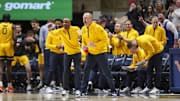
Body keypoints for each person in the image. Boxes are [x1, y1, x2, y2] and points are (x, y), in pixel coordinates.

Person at [81, 12, 117, 96]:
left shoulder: (98, 28)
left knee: (106, 71)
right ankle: (83, 90)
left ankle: (113, 90)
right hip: (91, 53)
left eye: (86, 18)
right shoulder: (83, 29)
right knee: (86, 70)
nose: (84, 20)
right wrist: (84, 46)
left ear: (90, 19)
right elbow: (84, 40)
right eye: (83, 18)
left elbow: (104, 40)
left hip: (101, 52)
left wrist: (95, 45)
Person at [48, 18, 81, 97]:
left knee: (77, 70)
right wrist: (50, 29)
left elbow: (82, 35)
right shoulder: (61, 30)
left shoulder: (76, 28)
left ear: (70, 23)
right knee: (65, 70)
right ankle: (65, 89)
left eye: (66, 22)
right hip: (67, 53)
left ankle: (78, 89)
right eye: (64, 22)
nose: (65, 24)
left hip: (77, 52)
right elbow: (53, 33)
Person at [42, 22, 64, 92]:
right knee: (51, 69)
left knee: (62, 70)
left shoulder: (65, 33)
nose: (58, 25)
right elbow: (47, 45)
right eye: (57, 24)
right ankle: (46, 85)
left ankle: (60, 85)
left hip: (63, 53)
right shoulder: (51, 33)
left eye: (59, 24)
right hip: (53, 53)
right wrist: (56, 46)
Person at [11, 25, 33, 91]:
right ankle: (9, 84)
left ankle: (29, 84)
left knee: (28, 68)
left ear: (21, 28)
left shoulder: (24, 36)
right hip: (14, 55)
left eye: (19, 27)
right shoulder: (12, 36)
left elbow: (30, 41)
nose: (18, 29)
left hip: (22, 55)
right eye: (16, 28)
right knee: (8, 69)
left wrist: (26, 43)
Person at [0, 14, 15, 93]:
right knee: (8, 67)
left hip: (0, 45)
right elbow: (15, 38)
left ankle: (0, 84)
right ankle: (9, 86)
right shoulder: (12, 26)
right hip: (8, 46)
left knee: (0, 66)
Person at [39, 19, 55, 88]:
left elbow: (41, 40)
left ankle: (46, 83)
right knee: (55, 66)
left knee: (47, 66)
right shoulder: (56, 27)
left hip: (47, 48)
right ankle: (53, 82)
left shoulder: (43, 27)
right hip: (55, 48)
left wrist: (42, 49)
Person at [30, 19, 44, 89]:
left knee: (47, 68)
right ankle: (41, 83)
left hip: (44, 51)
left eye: (34, 24)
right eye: (32, 25)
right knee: (40, 68)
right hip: (39, 52)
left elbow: (43, 40)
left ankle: (49, 83)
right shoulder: (35, 32)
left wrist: (34, 40)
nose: (33, 26)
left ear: (38, 24)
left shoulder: (42, 30)